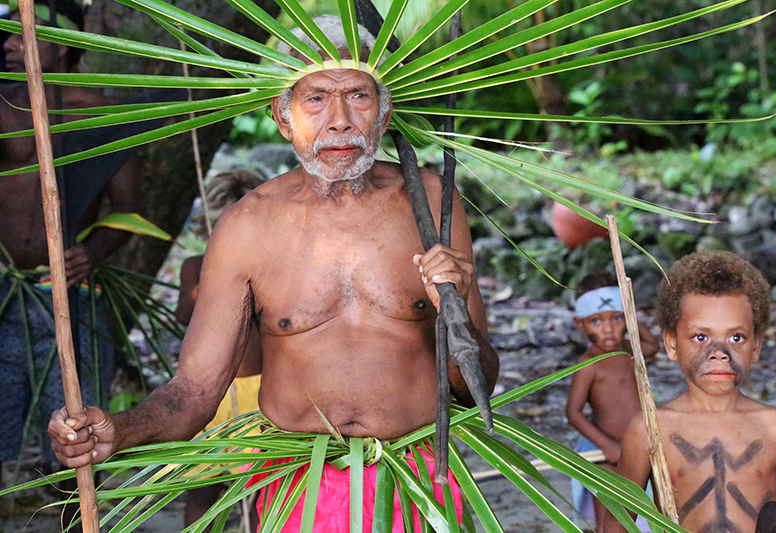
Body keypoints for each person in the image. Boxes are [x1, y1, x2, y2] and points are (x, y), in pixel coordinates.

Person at [48, 15, 498, 532]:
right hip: (299, 487)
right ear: (283, 118)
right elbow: (194, 392)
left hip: (419, 478)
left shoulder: (434, 203)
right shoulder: (248, 225)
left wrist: (454, 317)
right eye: (315, 99)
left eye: (357, 96)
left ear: (385, 111)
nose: (339, 120)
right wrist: (119, 429)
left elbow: (478, 386)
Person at [0, 0, 139, 474]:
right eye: (9, 34)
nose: (10, 45)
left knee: (76, 438)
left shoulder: (103, 117)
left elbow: (129, 212)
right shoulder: (2, 108)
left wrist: (92, 252)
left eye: (23, 33)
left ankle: (75, 521)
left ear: (63, 43)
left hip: (72, 298)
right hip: (5, 294)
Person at [605, 251, 776, 533]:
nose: (719, 353)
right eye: (700, 337)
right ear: (671, 344)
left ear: (756, 346)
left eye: (736, 337)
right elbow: (617, 523)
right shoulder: (651, 429)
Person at [174, 169, 265, 531]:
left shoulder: (270, 269)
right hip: (207, 393)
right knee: (200, 487)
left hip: (259, 391)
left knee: (263, 487)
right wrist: (205, 289)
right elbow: (183, 314)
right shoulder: (196, 267)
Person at [565, 272, 659, 532]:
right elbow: (573, 413)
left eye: (616, 319)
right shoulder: (588, 365)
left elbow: (652, 345)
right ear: (580, 324)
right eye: (596, 321)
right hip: (605, 453)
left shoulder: (629, 349)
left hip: (640, 447)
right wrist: (606, 445)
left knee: (646, 507)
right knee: (609, 515)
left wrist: (631, 316)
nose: (608, 329)